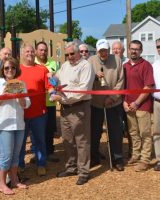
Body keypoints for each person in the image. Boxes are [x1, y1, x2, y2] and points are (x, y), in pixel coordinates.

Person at [52, 41, 94, 185]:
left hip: (79, 107)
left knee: (81, 141)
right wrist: (53, 77)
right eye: (67, 54)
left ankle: (83, 171)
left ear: (78, 53)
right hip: (64, 109)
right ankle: (71, 167)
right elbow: (57, 78)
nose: (69, 57)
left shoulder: (86, 66)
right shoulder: (64, 66)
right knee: (68, 140)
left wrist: (63, 97)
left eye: (72, 54)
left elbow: (83, 91)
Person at [0, 57, 30, 195]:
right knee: (6, 155)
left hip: (19, 124)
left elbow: (27, 104)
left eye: (12, 67)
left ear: (16, 69)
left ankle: (15, 179)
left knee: (16, 155)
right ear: (2, 70)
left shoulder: (21, 83)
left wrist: (20, 97)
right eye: (6, 68)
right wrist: (2, 97)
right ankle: (2, 184)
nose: (10, 70)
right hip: (4, 124)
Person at [89, 39, 125, 171]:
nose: (103, 53)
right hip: (96, 103)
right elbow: (86, 80)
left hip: (113, 103)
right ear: (97, 50)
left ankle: (117, 159)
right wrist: (94, 75)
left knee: (115, 132)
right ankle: (94, 157)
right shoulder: (91, 61)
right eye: (100, 51)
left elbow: (121, 81)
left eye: (105, 50)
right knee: (94, 132)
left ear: (108, 50)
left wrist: (112, 97)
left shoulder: (117, 60)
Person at [19, 43, 54, 176]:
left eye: (32, 52)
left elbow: (49, 86)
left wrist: (52, 94)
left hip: (39, 113)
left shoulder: (42, 69)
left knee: (40, 140)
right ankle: (20, 165)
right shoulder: (16, 70)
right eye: (27, 51)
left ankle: (41, 163)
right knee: (20, 142)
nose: (30, 54)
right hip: (21, 113)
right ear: (22, 53)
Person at [123, 40, 154, 172]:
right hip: (128, 105)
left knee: (145, 133)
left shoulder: (146, 65)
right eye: (132, 49)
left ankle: (145, 160)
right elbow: (122, 86)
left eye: (137, 49)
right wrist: (124, 101)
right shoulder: (125, 66)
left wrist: (137, 102)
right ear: (128, 50)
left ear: (141, 51)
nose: (134, 51)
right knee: (133, 133)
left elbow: (148, 86)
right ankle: (136, 155)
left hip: (142, 105)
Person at [35, 41, 59, 162]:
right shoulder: (32, 63)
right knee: (37, 129)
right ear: (36, 51)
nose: (43, 52)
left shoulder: (53, 63)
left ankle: (49, 152)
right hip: (37, 102)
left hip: (50, 101)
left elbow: (57, 80)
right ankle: (38, 153)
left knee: (49, 128)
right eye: (41, 50)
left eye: (45, 50)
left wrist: (54, 77)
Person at [111, 41, 132, 158]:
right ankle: (116, 153)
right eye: (113, 49)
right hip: (116, 100)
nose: (115, 51)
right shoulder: (110, 62)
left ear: (123, 50)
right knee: (117, 128)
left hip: (128, 99)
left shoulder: (127, 63)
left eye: (118, 49)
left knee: (130, 127)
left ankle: (132, 151)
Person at [152, 38, 160, 171]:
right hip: (157, 103)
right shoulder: (154, 65)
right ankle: (159, 159)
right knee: (157, 132)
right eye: (158, 47)